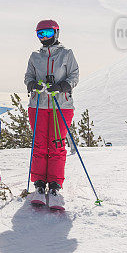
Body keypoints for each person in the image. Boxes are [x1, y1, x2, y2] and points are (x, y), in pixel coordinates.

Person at [24, 19, 79, 211]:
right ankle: (39, 182)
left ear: (56, 33)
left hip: (60, 105)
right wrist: (33, 85)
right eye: (40, 34)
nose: (44, 38)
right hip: (38, 105)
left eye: (47, 34)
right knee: (40, 142)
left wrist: (63, 86)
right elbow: (28, 77)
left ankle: (55, 184)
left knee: (56, 143)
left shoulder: (66, 54)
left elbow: (74, 75)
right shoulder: (34, 56)